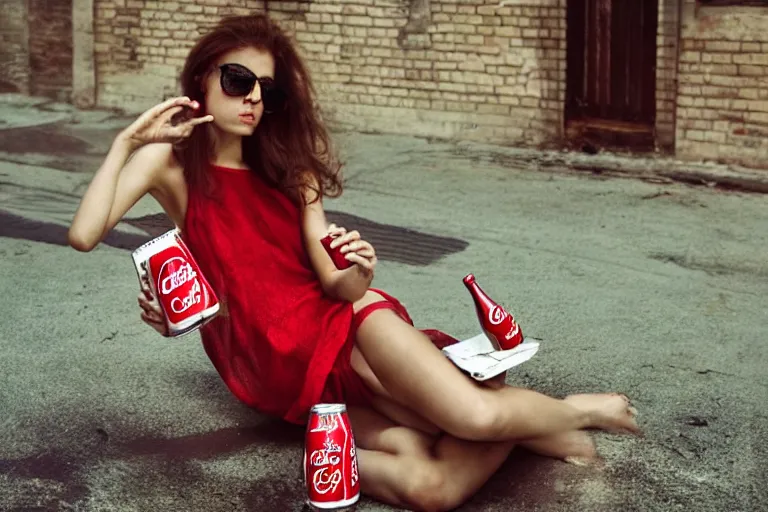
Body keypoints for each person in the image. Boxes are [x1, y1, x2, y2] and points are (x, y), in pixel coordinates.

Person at [68, 13, 640, 511]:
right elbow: (84, 235)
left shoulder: (293, 172)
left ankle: (574, 411)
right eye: (238, 80)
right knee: (431, 485)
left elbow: (336, 287)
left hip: (351, 324)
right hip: (285, 371)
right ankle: (541, 426)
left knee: (474, 420)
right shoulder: (166, 162)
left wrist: (359, 269)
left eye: (267, 90)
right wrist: (126, 142)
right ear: (202, 78)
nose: (252, 99)